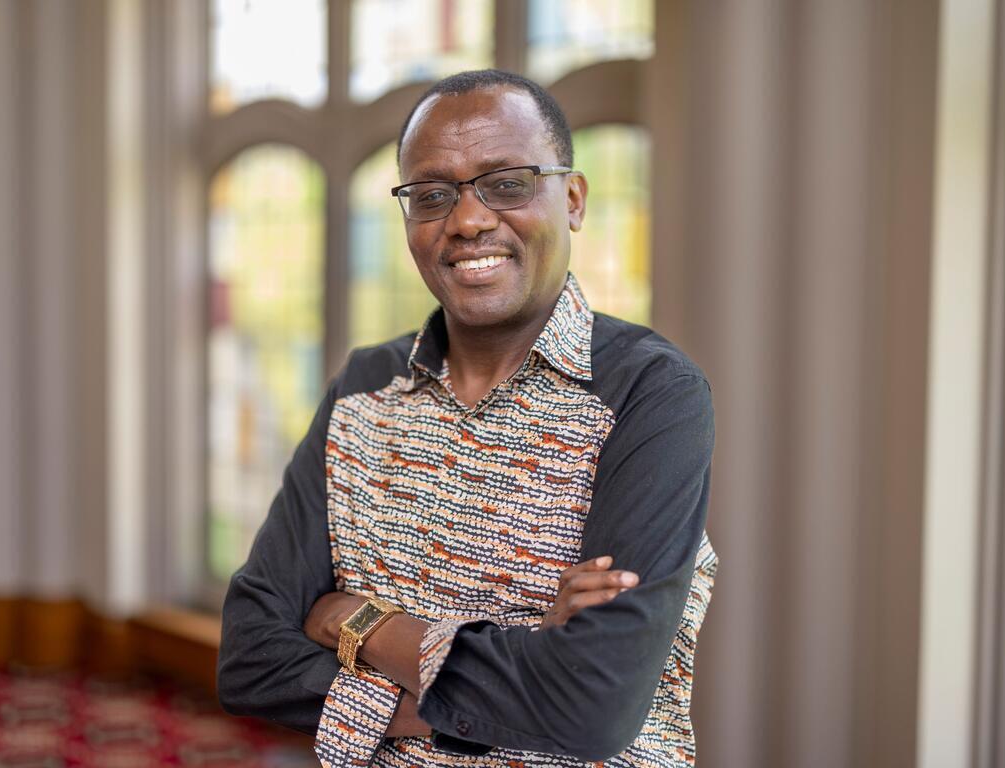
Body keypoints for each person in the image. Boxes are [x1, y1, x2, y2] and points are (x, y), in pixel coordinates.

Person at [217, 69, 717, 767]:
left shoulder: (650, 393)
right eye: (431, 195)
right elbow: (249, 659)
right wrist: (524, 662)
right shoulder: (365, 386)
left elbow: (592, 705)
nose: (468, 219)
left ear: (571, 199)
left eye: (506, 183)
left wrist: (363, 621)